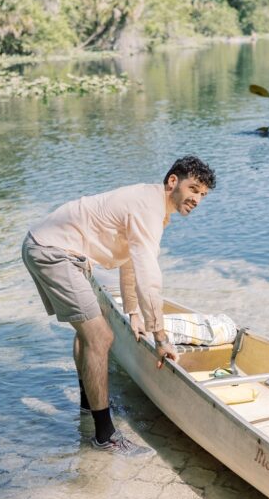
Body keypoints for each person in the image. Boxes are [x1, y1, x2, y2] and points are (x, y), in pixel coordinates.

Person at [21, 156, 217, 455]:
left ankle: (90, 408)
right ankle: (105, 436)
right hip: (53, 252)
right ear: (173, 181)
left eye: (203, 194)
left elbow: (130, 262)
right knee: (100, 336)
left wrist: (133, 312)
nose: (197, 199)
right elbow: (149, 277)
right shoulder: (147, 208)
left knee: (89, 331)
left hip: (57, 248)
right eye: (194, 189)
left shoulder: (151, 206)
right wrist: (160, 336)